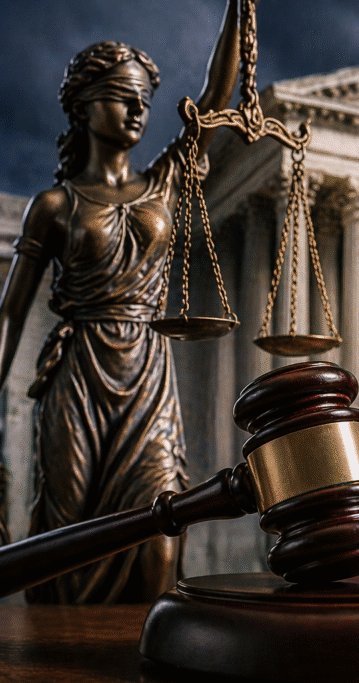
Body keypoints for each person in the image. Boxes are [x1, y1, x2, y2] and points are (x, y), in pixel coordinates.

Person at [0, 0, 240, 603]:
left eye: (143, 99)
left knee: (163, 513)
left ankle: (151, 646)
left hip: (149, 377)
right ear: (83, 106)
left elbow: (215, 95)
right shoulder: (54, 206)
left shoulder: (162, 183)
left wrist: (243, 8)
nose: (138, 109)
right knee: (68, 530)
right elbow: (10, 312)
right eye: (121, 96)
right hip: (78, 375)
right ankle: (53, 658)